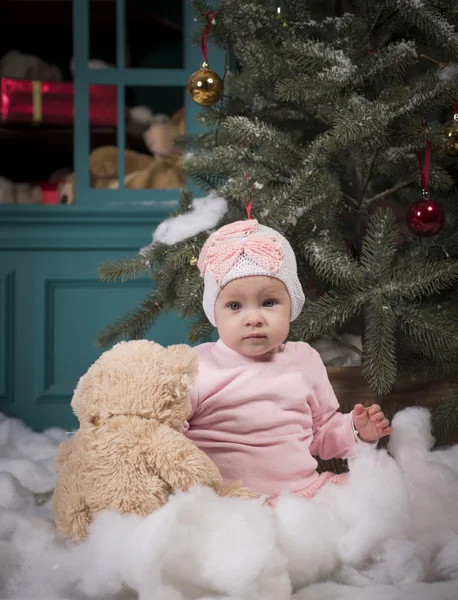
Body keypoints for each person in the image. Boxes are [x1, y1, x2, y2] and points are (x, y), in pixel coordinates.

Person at [183, 218, 392, 503]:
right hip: (225, 503)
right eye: (234, 306)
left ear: (291, 305)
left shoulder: (304, 360)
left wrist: (355, 430)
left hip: (299, 498)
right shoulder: (195, 365)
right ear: (214, 313)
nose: (254, 318)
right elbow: (171, 437)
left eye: (269, 303)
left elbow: (321, 432)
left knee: (379, 498)